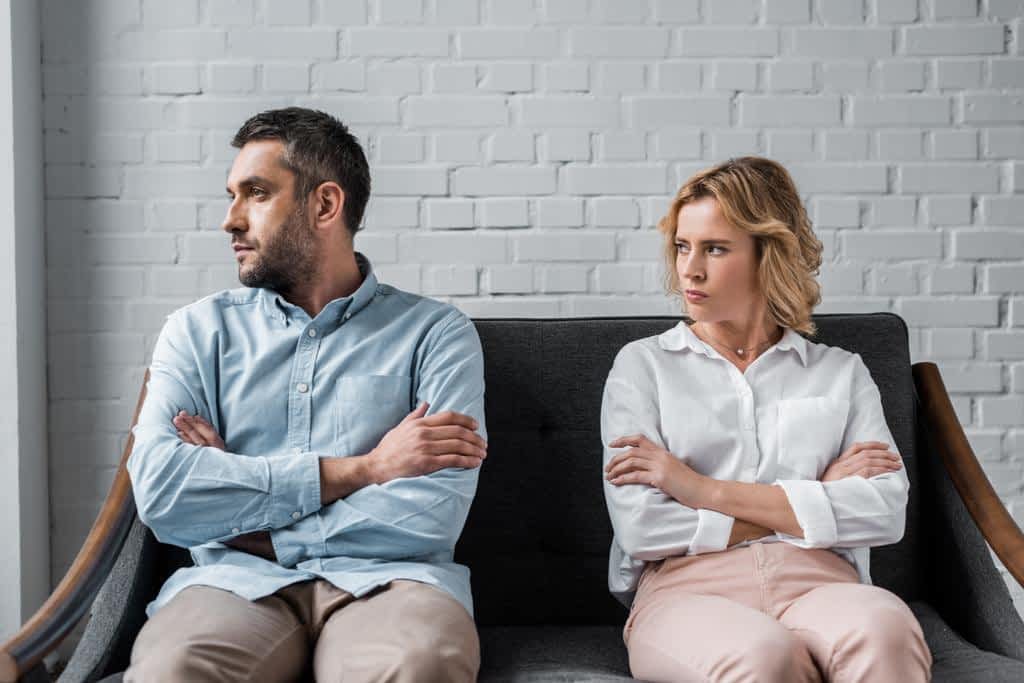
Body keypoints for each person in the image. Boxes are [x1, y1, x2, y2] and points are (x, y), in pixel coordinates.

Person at [125, 107, 486, 682]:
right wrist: (365, 469)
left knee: (420, 664)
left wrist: (245, 507)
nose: (230, 220)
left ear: (324, 205)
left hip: (390, 583)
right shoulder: (195, 332)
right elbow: (165, 495)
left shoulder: (435, 334)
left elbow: (431, 515)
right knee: (175, 665)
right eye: (232, 195)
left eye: (256, 194)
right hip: (232, 585)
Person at [600, 157, 931, 682]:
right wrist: (811, 495)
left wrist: (696, 487)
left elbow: (885, 512)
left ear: (767, 255)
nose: (690, 269)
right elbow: (644, 527)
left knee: (886, 630)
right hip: (688, 590)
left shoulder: (840, 373)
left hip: (823, 584)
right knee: (764, 655)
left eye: (715, 248)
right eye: (683, 247)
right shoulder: (643, 366)